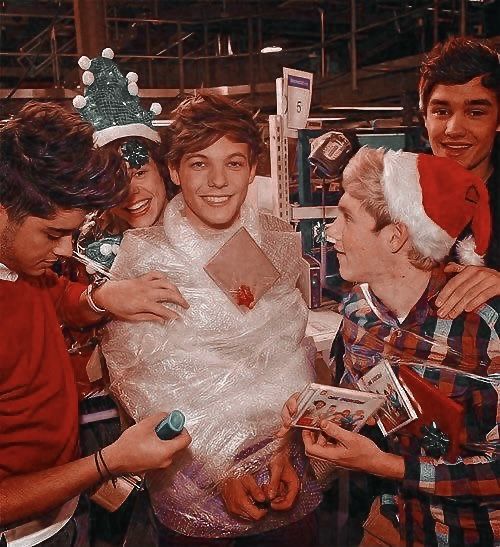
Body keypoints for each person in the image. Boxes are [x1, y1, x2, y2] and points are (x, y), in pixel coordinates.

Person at [101, 92, 323, 545]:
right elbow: (141, 381)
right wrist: (219, 466)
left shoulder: (277, 241)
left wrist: (287, 446)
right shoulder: (143, 258)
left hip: (286, 465)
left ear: (254, 168)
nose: (218, 181)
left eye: (234, 163)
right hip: (192, 483)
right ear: (174, 170)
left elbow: (292, 350)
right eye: (200, 164)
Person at [281, 147, 499, 546]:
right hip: (393, 523)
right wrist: (321, 412)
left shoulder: (484, 330)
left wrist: (386, 464)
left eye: (346, 218)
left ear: (396, 236)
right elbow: (367, 402)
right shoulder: (359, 310)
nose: (330, 233)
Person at [0, 101, 191, 546]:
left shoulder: (20, 267)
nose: (67, 251)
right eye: (52, 234)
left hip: (59, 513)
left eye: (73, 233)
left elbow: (59, 300)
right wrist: (108, 463)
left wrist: (103, 297)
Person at [419, 37, 500, 318]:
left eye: (475, 112)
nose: (454, 129)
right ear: (425, 117)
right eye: (441, 111)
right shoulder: (397, 196)